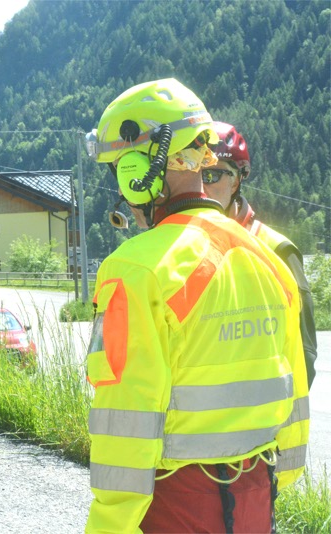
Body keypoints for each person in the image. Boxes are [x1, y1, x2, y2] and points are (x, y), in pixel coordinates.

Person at [83, 78, 309, 533]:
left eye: (118, 173)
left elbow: (125, 421)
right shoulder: (268, 256)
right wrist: (275, 483)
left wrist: (108, 525)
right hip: (256, 495)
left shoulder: (135, 270)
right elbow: (295, 397)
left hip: (174, 504)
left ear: (135, 169)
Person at [204, 121, 318, 388]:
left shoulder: (278, 251)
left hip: (266, 424)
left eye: (211, 175)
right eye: (193, 175)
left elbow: (305, 354)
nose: (201, 186)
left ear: (235, 182)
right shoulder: (180, 252)